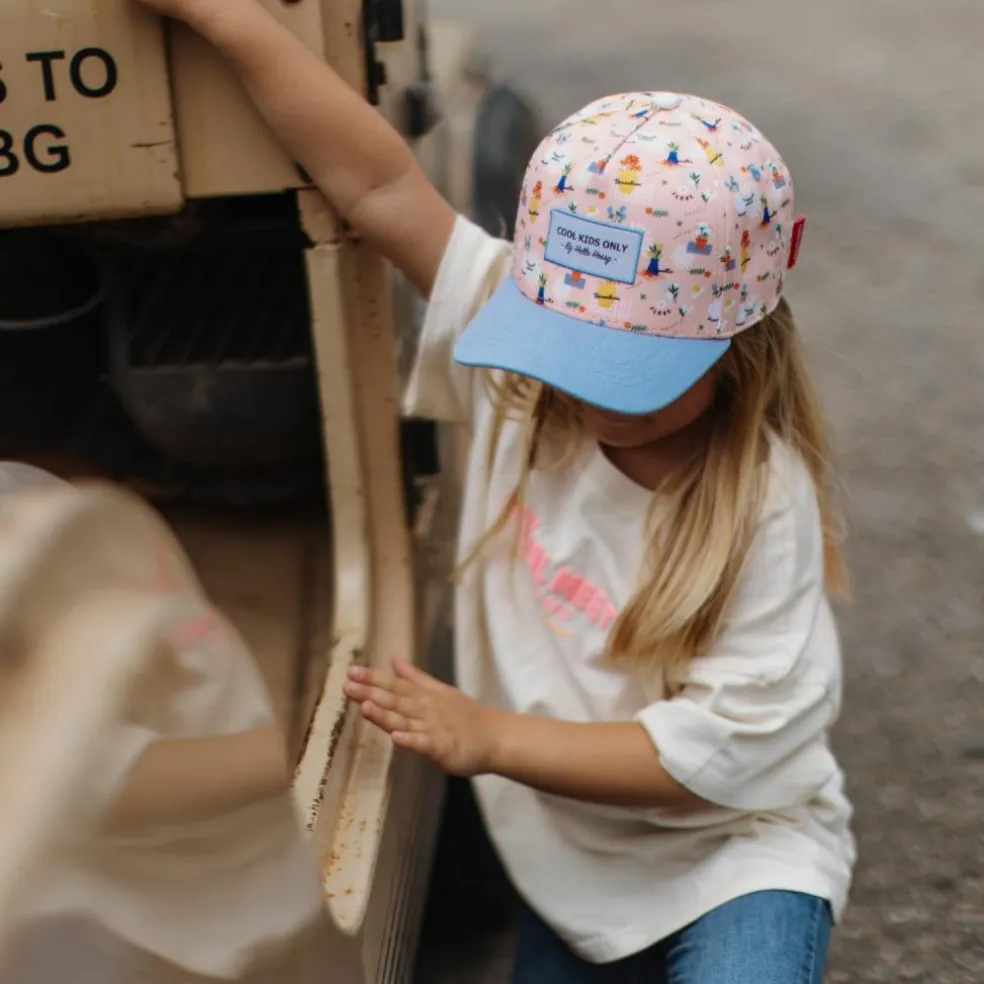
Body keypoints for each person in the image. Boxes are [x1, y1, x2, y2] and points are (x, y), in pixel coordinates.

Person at [133, 1, 856, 979]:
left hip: (736, 856)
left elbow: (707, 765)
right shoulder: (523, 384)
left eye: (629, 365)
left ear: (741, 344)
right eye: (567, 349)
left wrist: (490, 737)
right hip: (568, 867)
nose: (588, 392)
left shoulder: (763, 506)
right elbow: (376, 181)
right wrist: (227, 19)